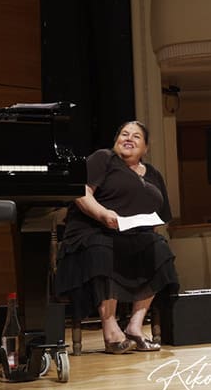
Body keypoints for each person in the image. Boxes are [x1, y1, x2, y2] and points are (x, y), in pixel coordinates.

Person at [54, 121, 179, 354]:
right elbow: (81, 193)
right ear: (116, 140)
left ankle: (135, 326)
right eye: (124, 134)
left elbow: (160, 217)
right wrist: (103, 214)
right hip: (93, 232)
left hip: (134, 235)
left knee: (159, 248)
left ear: (146, 148)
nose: (129, 138)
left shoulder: (153, 174)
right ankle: (110, 329)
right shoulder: (104, 159)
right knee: (104, 247)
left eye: (136, 136)